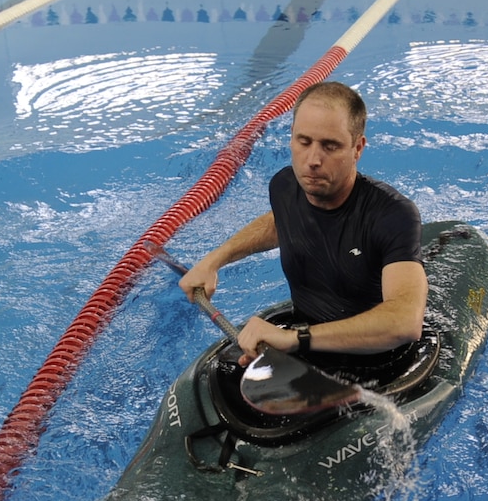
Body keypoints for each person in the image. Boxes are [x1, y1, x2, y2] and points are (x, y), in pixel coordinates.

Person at [178, 82, 426, 372]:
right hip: (305, 342)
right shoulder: (285, 186)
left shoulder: (392, 215)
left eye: (330, 146)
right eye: (303, 141)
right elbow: (279, 222)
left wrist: (295, 339)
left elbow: (405, 322)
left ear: (357, 148)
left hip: (379, 363)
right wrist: (214, 260)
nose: (313, 161)